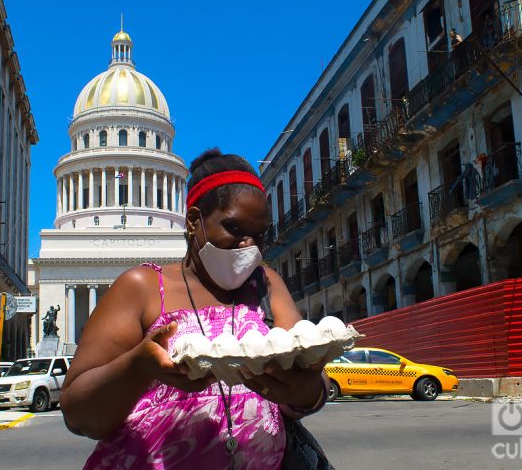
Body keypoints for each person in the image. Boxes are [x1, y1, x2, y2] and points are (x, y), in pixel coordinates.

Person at [61, 149, 329, 469]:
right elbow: (77, 414)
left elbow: (313, 378)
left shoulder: (265, 284)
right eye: (234, 229)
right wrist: (138, 366)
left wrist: (307, 390)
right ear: (194, 221)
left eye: (259, 235)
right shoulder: (142, 287)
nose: (249, 247)